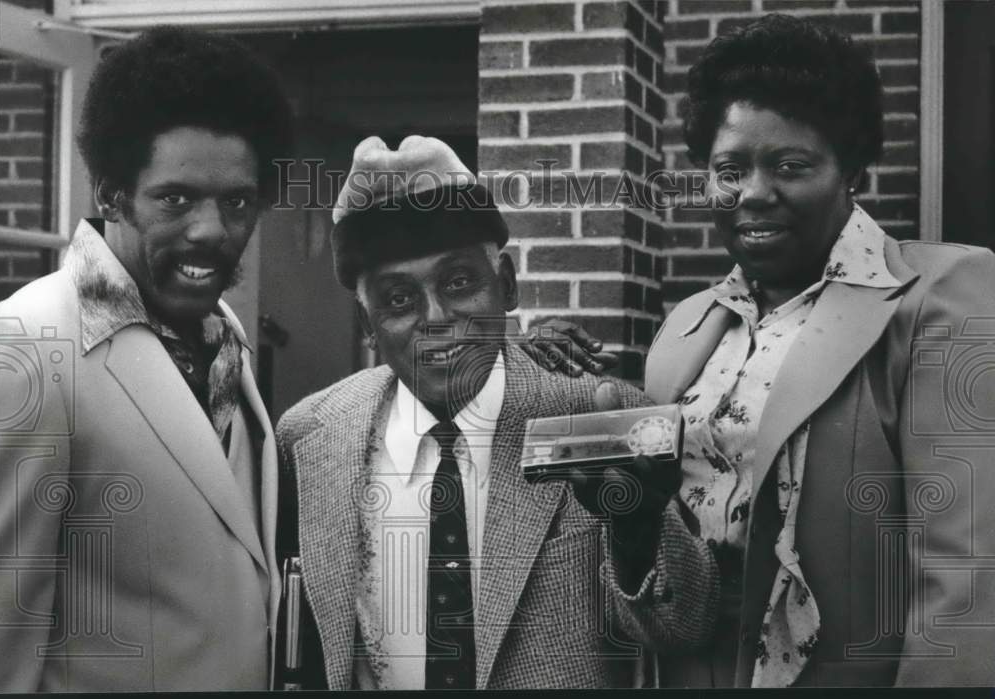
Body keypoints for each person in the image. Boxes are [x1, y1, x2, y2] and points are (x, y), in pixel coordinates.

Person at [532, 13, 995, 688]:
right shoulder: (687, 330)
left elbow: (964, 577)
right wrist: (632, 520)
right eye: (730, 169)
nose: (752, 192)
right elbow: (670, 583)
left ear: (851, 170)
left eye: (789, 165)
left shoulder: (939, 299)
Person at [274, 135, 719, 690]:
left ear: (506, 285)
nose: (436, 319)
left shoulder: (596, 418)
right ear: (367, 325)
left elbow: (688, 628)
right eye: (397, 298)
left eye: (459, 282)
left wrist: (636, 532)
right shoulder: (308, 438)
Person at [0, 27, 294, 691]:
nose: (212, 229)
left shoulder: (223, 336)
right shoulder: (28, 344)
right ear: (110, 194)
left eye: (237, 201)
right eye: (176, 197)